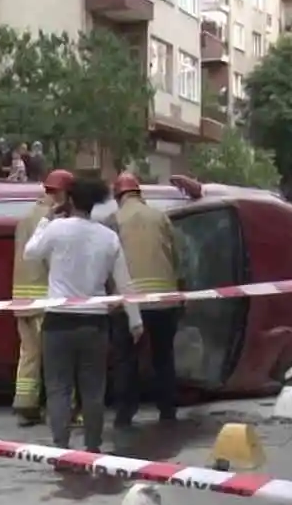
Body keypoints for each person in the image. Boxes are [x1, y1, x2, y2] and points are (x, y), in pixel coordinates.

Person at [23, 176, 142, 452]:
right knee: (93, 390)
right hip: (95, 323)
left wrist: (46, 220)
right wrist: (135, 320)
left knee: (58, 388)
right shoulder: (108, 237)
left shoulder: (57, 229)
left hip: (59, 320)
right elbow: (125, 283)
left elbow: (30, 253)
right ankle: (92, 447)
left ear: (71, 200)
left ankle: (61, 446)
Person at [108, 172, 182, 428]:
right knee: (164, 356)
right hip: (164, 300)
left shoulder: (114, 219)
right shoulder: (161, 217)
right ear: (139, 193)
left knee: (126, 359)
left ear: (118, 196)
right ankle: (168, 410)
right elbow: (177, 255)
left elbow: (110, 263)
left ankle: (125, 413)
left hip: (129, 302)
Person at [11, 169, 74, 426]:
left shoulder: (25, 217)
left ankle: (25, 403)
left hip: (20, 298)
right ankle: (62, 409)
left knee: (29, 353)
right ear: (63, 193)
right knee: (55, 355)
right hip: (44, 299)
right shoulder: (55, 219)